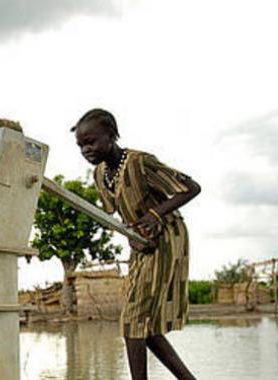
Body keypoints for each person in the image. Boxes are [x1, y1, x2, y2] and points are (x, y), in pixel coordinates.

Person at [73, 108, 200, 380]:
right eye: (81, 145)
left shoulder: (139, 162)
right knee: (144, 325)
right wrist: (131, 234)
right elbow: (123, 215)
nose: (86, 149)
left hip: (166, 238)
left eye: (91, 141)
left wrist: (156, 214)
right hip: (141, 243)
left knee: (133, 320)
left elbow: (191, 187)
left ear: (112, 134)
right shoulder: (100, 174)